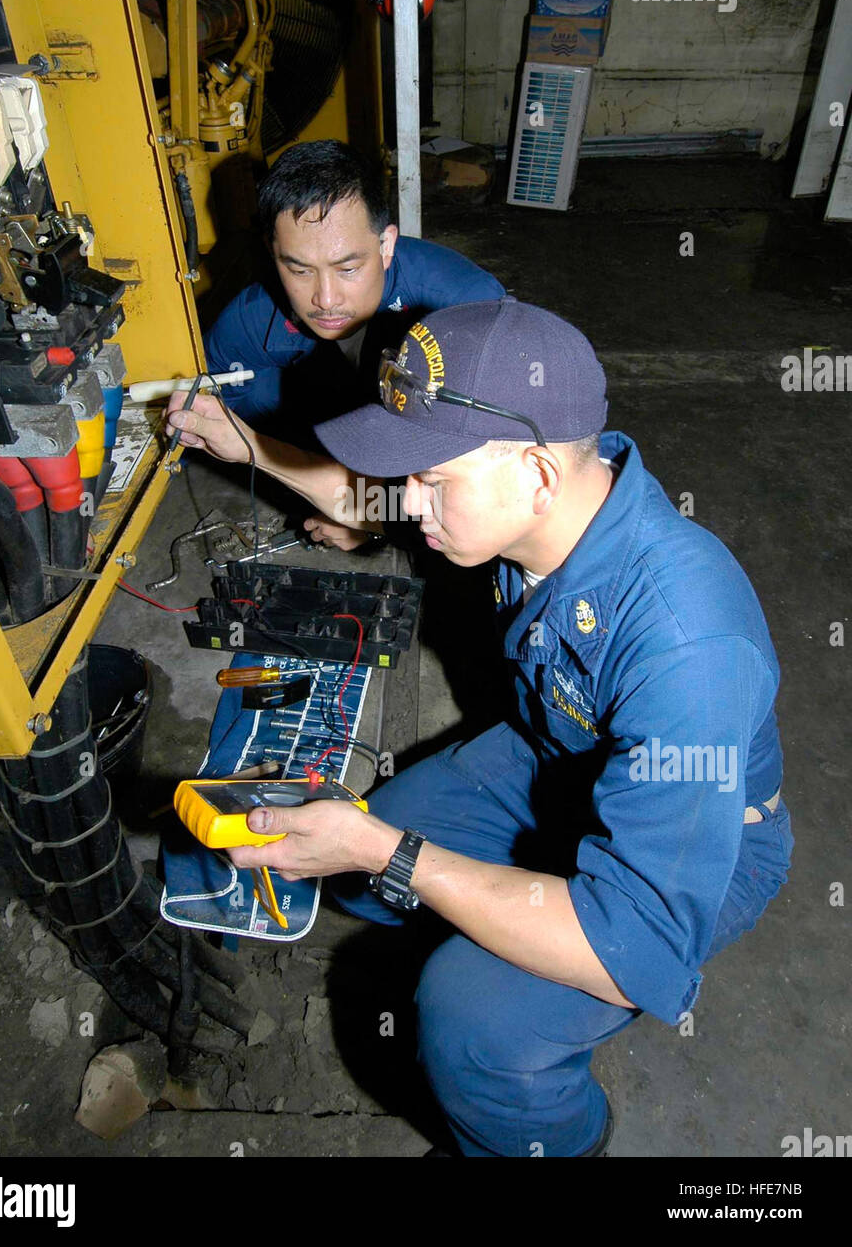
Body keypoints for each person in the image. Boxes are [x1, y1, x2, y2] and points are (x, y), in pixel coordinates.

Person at [210, 296, 793, 1159]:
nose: (411, 504)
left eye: (431, 480)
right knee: (360, 876)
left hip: (692, 852)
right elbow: (385, 499)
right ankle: (487, 911)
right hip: (555, 759)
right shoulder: (536, 508)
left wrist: (393, 853)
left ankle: (554, 1138)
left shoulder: (689, 646)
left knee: (468, 1021)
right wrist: (251, 446)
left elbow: (627, 941)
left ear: (537, 473)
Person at [203, 138, 504, 554]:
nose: (325, 299)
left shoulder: (465, 311)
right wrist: (323, 490)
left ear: (386, 245)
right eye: (299, 268)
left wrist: (372, 518)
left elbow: (500, 490)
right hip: (338, 426)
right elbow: (226, 426)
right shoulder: (250, 320)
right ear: (273, 256)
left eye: (347, 268)